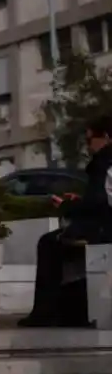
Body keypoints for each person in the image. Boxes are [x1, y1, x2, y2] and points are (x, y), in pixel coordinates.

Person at [19, 115, 112, 328]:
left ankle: (45, 312)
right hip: (103, 227)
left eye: (90, 140)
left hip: (103, 231)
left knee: (49, 243)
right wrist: (79, 201)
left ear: (106, 137)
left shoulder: (105, 162)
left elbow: (98, 204)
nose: (88, 146)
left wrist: (67, 205)